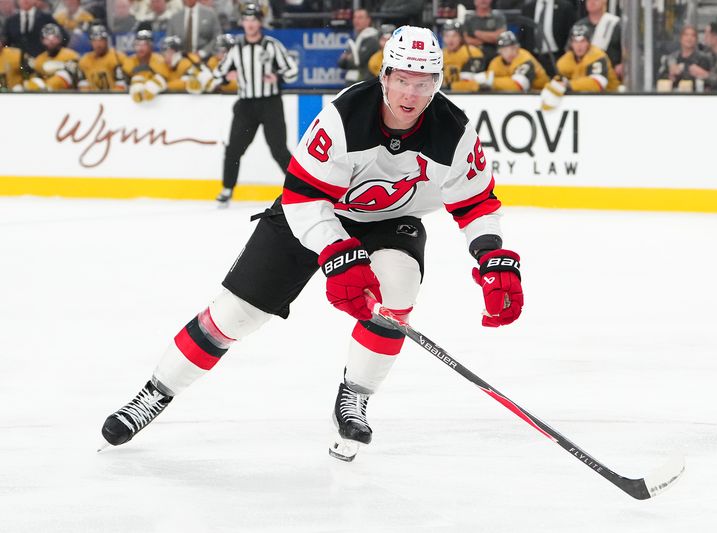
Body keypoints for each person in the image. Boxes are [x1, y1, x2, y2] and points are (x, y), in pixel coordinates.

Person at [100, 25, 524, 464]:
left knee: (398, 286)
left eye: (423, 83)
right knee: (236, 314)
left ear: (437, 82)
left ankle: (355, 396)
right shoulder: (344, 117)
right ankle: (155, 392)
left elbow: (477, 202)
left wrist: (492, 256)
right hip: (314, 212)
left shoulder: (454, 131)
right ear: (384, 75)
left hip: (390, 221)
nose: (410, 94)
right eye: (402, 79)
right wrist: (338, 253)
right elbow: (303, 195)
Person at [208, 3, 297, 206]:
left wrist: (277, 76)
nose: (250, 24)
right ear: (242, 22)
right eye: (246, 20)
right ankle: (227, 189)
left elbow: (292, 71)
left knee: (279, 149)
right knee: (233, 150)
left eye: (254, 20)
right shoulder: (236, 48)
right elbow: (217, 73)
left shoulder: (271, 45)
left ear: (260, 22)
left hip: (270, 103)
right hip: (246, 105)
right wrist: (228, 76)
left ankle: (299, 188)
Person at [542, 23, 618, 108]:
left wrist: (568, 85)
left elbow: (598, 84)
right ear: (571, 43)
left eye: (583, 41)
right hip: (582, 100)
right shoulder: (565, 61)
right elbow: (559, 80)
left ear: (589, 42)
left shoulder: (597, 56)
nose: (579, 46)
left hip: (610, 101)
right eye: (575, 41)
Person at [477, 30, 549, 92]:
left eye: (513, 48)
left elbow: (518, 86)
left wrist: (489, 81)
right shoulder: (495, 62)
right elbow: (488, 85)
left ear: (518, 47)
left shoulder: (525, 59)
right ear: (499, 51)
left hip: (541, 94)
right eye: (505, 50)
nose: (510, 53)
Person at [23, 22, 78, 90]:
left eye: (53, 38)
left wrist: (62, 67)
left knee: (63, 74)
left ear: (60, 38)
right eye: (47, 39)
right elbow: (34, 81)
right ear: (42, 40)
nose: (50, 42)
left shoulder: (71, 55)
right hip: (44, 92)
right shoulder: (39, 59)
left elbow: (74, 78)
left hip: (65, 92)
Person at [573, 0, 621, 76]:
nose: (591, 1)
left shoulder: (616, 24)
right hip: (584, 75)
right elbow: (570, 52)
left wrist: (623, 65)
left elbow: (628, 51)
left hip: (611, 75)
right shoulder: (579, 26)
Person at [656, 25, 712, 91]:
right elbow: (659, 77)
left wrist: (680, 72)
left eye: (693, 35)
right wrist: (670, 76)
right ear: (680, 38)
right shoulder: (672, 57)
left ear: (696, 40)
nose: (689, 38)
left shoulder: (703, 59)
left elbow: (704, 81)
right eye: (686, 35)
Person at [123, 29, 170, 102]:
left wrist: (153, 86)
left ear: (151, 45)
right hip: (133, 102)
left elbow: (164, 81)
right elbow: (123, 84)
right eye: (137, 44)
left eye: (144, 44)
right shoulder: (129, 61)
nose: (140, 48)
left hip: (157, 102)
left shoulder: (159, 60)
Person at [77, 24, 126, 91]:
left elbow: (121, 86)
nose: (98, 44)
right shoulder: (84, 60)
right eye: (95, 40)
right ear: (91, 42)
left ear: (106, 41)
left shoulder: (118, 57)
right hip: (92, 96)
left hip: (114, 96)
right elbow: (83, 88)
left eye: (101, 40)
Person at [337, 8, 379, 86]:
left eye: (360, 17)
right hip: (353, 82)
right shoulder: (355, 38)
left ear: (368, 20)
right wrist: (347, 59)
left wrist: (348, 58)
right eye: (355, 17)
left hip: (366, 83)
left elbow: (357, 62)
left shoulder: (373, 38)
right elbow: (341, 63)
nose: (356, 20)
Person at [440, 20, 484, 92]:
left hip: (466, 96)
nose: (450, 40)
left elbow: (475, 84)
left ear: (461, 37)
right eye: (446, 36)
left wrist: (449, 87)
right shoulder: (439, 55)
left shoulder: (472, 53)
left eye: (454, 36)